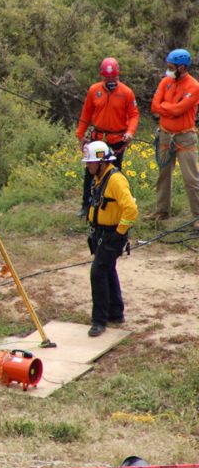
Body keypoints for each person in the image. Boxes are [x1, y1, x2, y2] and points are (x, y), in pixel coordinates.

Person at [83, 141, 138, 337]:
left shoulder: (115, 180)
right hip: (102, 234)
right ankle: (116, 312)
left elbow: (131, 209)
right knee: (107, 270)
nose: (87, 166)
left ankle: (99, 320)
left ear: (102, 162)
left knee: (98, 273)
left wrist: (119, 232)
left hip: (111, 235)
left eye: (90, 163)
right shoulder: (101, 177)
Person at [75, 57, 139, 217]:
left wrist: (130, 132)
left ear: (118, 76)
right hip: (97, 139)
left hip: (117, 141)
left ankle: (114, 205)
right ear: (102, 76)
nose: (110, 80)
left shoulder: (126, 93)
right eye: (107, 78)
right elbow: (86, 114)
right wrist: (80, 135)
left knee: (114, 174)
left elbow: (133, 114)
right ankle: (86, 205)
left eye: (113, 78)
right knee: (90, 172)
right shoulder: (94, 91)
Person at [147, 48, 199, 228]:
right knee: (163, 175)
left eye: (171, 67)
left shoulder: (193, 86)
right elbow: (154, 105)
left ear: (182, 67)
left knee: (191, 178)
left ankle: (197, 216)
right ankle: (162, 211)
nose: (168, 70)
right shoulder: (165, 82)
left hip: (185, 137)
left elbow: (179, 110)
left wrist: (165, 107)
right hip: (165, 135)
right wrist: (169, 108)